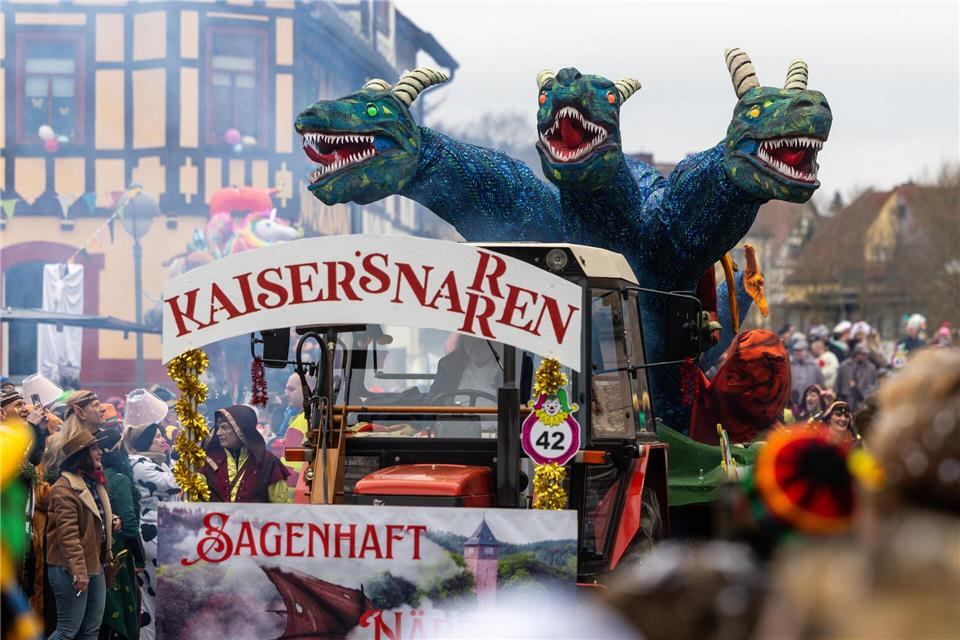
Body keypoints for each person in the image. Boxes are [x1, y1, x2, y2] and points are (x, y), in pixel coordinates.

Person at [45, 430, 113, 640]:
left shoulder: (91, 483)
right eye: (94, 448)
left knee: (91, 631)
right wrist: (79, 573)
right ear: (81, 454)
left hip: (94, 563)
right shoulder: (64, 489)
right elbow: (69, 537)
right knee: (67, 631)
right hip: (70, 567)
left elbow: (93, 515)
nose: (100, 452)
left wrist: (111, 520)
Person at [125, 422, 179, 640]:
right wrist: (182, 459)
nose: (162, 439)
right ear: (144, 443)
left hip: (160, 535)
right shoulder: (138, 463)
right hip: (153, 538)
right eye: (156, 437)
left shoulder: (156, 462)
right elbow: (174, 483)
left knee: (149, 604)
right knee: (159, 599)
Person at [97, 429, 142, 640]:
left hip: (97, 548)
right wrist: (138, 556)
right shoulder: (119, 479)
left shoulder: (93, 477)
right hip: (118, 552)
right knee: (122, 608)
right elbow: (130, 523)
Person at [201, 404, 290, 503]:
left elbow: (281, 507)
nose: (218, 433)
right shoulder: (210, 463)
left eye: (224, 427)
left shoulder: (268, 463)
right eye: (218, 427)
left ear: (241, 429)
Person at [42, 390, 106, 480]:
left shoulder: (102, 440)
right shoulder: (60, 446)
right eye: (96, 405)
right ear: (80, 413)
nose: (103, 409)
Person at [835, 343, 877, 412]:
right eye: (863, 354)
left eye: (866, 354)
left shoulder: (870, 368)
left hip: (863, 399)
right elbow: (838, 383)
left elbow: (873, 384)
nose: (865, 356)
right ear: (856, 354)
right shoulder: (845, 366)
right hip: (847, 398)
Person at [789, 339, 824, 409]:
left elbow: (821, 384)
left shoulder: (814, 366)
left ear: (806, 351)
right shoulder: (790, 365)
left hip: (811, 402)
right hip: (793, 403)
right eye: (796, 350)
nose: (797, 353)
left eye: (800, 350)